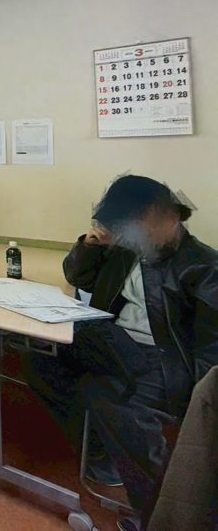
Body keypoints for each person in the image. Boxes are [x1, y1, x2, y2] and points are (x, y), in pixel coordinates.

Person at [25, 175, 218, 525]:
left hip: (162, 363)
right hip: (111, 340)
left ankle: (160, 517)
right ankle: (101, 453)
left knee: (112, 402)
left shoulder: (204, 266)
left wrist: (194, 405)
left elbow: (211, 349)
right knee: (41, 360)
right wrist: (90, 244)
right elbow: (77, 276)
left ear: (170, 217)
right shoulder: (126, 250)